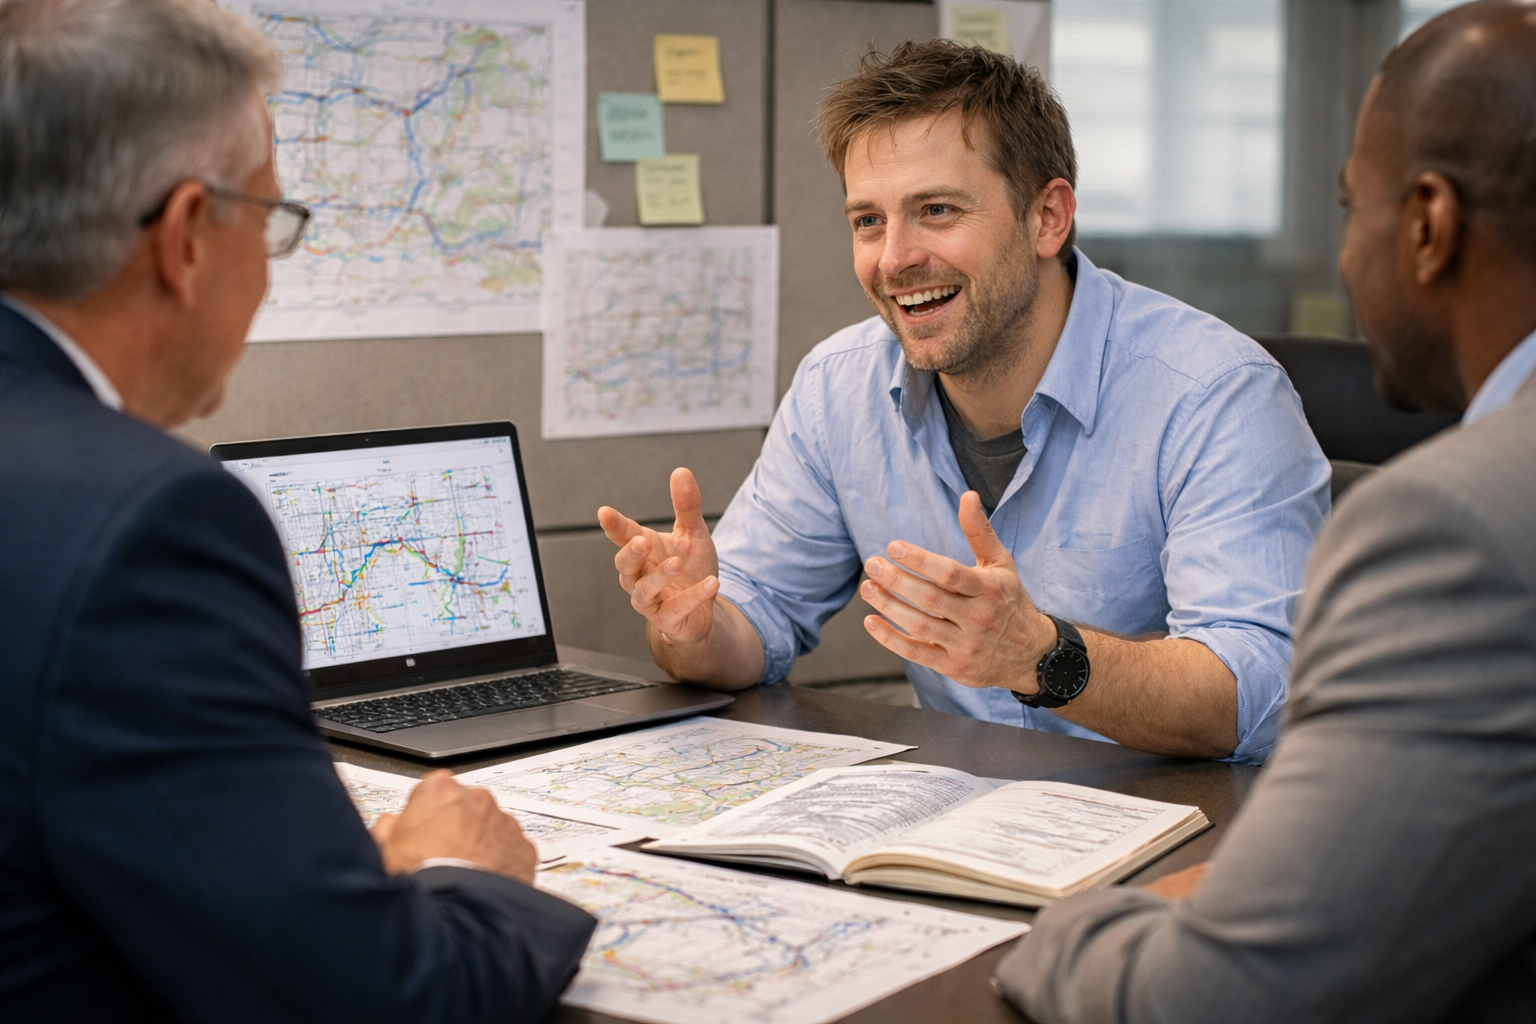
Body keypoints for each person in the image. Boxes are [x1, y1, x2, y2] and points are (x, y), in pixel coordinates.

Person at [0, 0, 593, 1018]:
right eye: (271, 220)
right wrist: (465, 873)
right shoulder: (147, 522)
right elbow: (378, 998)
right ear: (186, 236)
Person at [991, 3, 1536, 1020]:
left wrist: (1068, 920)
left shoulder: (1454, 526)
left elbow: (1223, 994)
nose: (1341, 259)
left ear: (1426, 224)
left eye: (1347, 207)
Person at [599, 41, 1329, 764]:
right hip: (962, 820)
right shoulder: (838, 387)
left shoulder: (1213, 393)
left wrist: (1043, 657)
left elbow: (1258, 692)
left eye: (936, 210)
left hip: (1181, 835)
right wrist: (691, 629)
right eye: (868, 221)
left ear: (1048, 218)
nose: (893, 260)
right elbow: (750, 623)